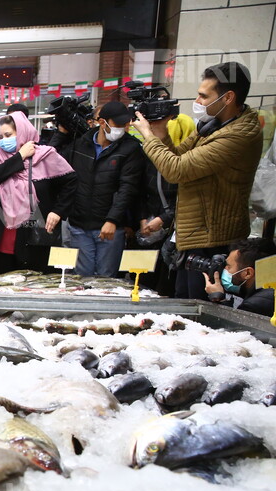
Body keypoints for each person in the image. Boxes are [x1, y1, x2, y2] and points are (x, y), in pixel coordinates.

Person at [133, 62, 263, 299]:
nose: (198, 101)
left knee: (200, 310)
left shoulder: (239, 134)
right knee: (183, 301)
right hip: (193, 232)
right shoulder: (212, 126)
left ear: (228, 97)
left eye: (204, 95)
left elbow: (176, 170)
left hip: (213, 236)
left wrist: (148, 136)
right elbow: (178, 156)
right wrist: (161, 133)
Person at [0, 111, 75, 273]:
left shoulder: (45, 155)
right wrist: (20, 155)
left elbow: (71, 182)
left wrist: (58, 211)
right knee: (2, 276)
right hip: (2, 230)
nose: (3, 140)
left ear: (22, 132)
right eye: (0, 137)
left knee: (32, 278)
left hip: (34, 232)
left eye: (8, 134)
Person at [67, 101, 144, 277]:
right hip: (79, 224)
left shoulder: (131, 148)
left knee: (106, 279)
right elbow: (69, 179)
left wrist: (113, 220)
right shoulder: (81, 143)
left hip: (110, 227)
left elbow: (128, 188)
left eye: (126, 124)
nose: (123, 129)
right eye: (118, 124)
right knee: (81, 277)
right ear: (102, 122)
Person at [203, 237, 276, 316]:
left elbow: (231, 326)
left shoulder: (254, 305)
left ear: (247, 273)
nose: (224, 269)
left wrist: (218, 298)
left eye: (228, 266)